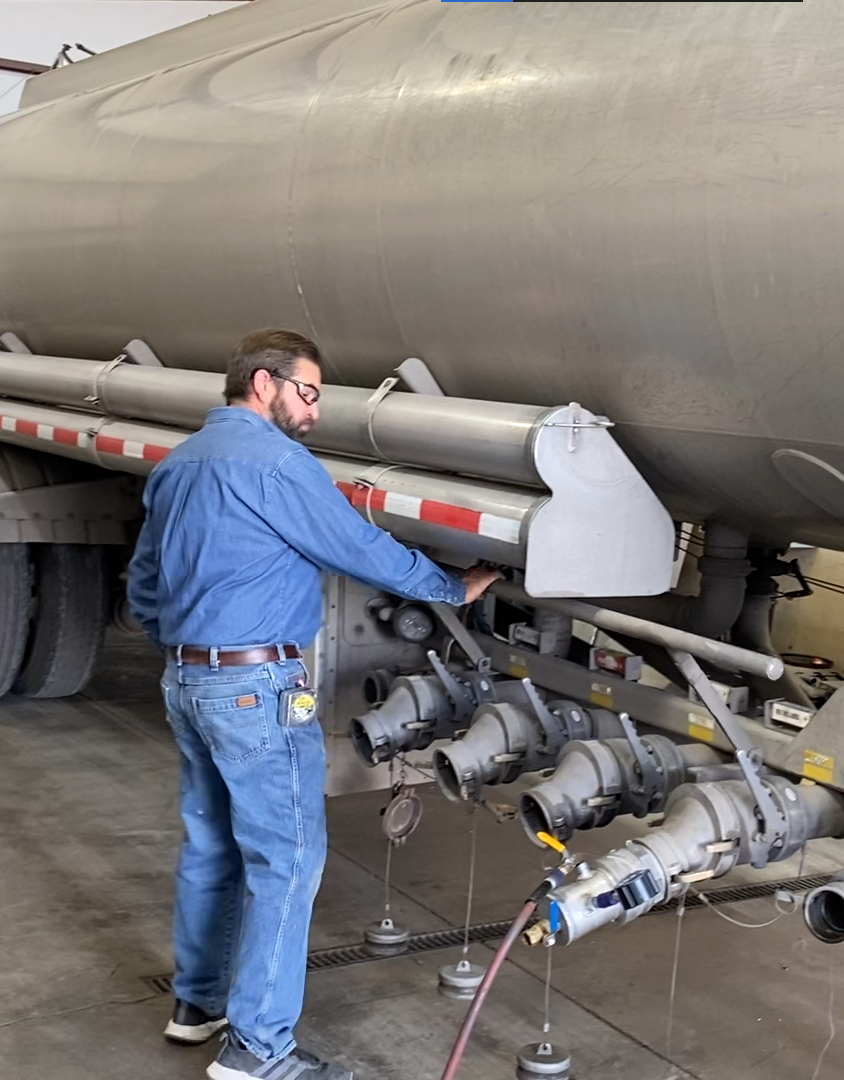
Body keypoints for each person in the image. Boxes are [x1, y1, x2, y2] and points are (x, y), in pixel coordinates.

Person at [128, 329, 499, 1080]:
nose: (314, 410)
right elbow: (359, 548)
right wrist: (451, 587)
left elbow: (144, 579)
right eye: (308, 392)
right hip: (255, 687)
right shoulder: (274, 463)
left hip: (188, 679)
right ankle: (259, 1050)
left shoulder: (180, 463)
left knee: (212, 844)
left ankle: (198, 1005)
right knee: (288, 859)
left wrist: (184, 643)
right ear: (263, 384)